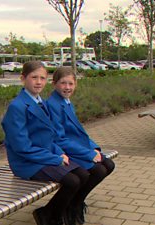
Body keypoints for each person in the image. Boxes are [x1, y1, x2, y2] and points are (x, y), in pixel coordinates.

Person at [1, 61, 89, 225]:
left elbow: (50, 136)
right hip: (26, 162)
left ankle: (55, 211)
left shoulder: (40, 102)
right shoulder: (17, 107)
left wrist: (58, 152)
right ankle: (50, 216)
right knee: (72, 181)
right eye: (34, 77)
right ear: (23, 79)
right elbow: (22, 147)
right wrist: (54, 159)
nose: (39, 82)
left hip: (43, 155)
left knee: (83, 174)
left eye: (42, 78)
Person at [47, 66, 115, 225]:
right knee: (98, 170)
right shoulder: (53, 104)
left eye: (71, 83)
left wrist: (94, 148)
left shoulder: (65, 102)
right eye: (63, 83)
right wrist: (88, 154)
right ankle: (72, 204)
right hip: (65, 150)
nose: (67, 87)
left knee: (109, 165)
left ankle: (75, 202)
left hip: (76, 147)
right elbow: (59, 139)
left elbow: (79, 132)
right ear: (54, 83)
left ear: (76, 84)